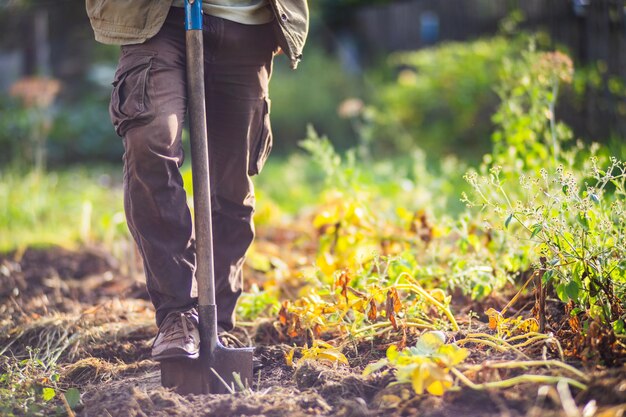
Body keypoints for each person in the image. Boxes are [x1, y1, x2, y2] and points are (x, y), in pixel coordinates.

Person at [85, 0, 309, 360]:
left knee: (231, 185)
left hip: (246, 23)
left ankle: (216, 321)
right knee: (151, 139)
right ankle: (178, 313)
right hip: (159, 19)